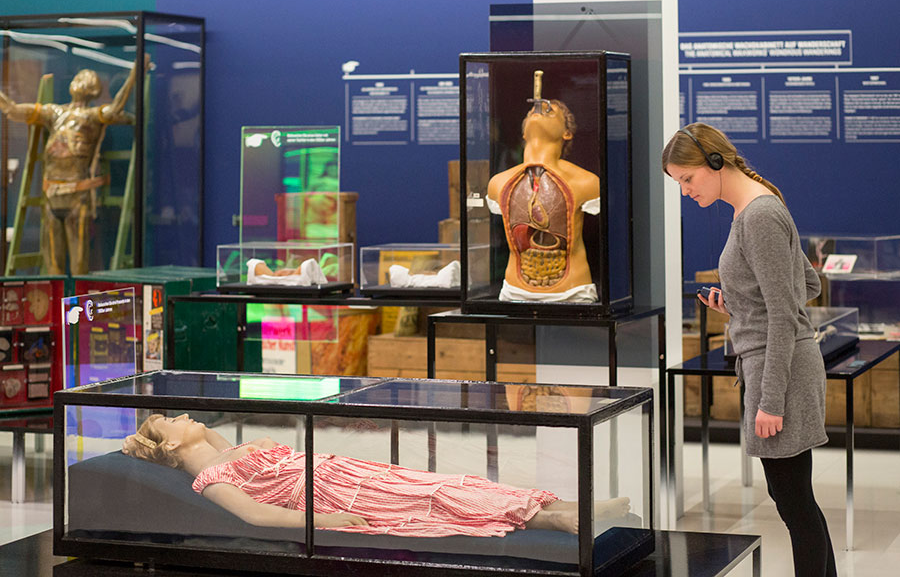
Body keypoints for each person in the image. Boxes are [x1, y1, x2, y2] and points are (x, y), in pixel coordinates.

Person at [662, 123, 836, 577]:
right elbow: (809, 285)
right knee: (795, 501)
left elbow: (783, 314)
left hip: (779, 374)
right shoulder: (758, 207)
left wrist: (770, 400)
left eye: (687, 178)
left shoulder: (757, 215)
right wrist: (738, 302)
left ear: (715, 163)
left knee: (795, 506)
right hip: (777, 364)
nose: (685, 191)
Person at [122, 413, 630, 537]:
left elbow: (211, 439)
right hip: (336, 495)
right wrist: (329, 521)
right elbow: (256, 515)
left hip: (347, 471)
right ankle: (560, 521)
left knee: (451, 485)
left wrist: (185, 435)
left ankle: (568, 508)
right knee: (437, 503)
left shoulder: (222, 451)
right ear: (167, 442)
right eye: (172, 419)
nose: (186, 417)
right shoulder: (209, 478)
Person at [0, 55, 148, 274]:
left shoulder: (93, 116)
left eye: (85, 79)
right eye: (78, 78)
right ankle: (55, 307)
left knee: (79, 266)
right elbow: (12, 110)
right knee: (53, 267)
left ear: (93, 89)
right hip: (51, 196)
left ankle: (76, 306)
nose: (79, 81)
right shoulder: (54, 112)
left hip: (77, 199)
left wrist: (135, 74)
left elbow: (116, 109)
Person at [486, 71, 600, 303]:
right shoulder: (498, 184)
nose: (539, 110)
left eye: (551, 110)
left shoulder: (587, 183)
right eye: (532, 111)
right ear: (524, 131)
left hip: (572, 292)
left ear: (567, 133)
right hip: (514, 292)